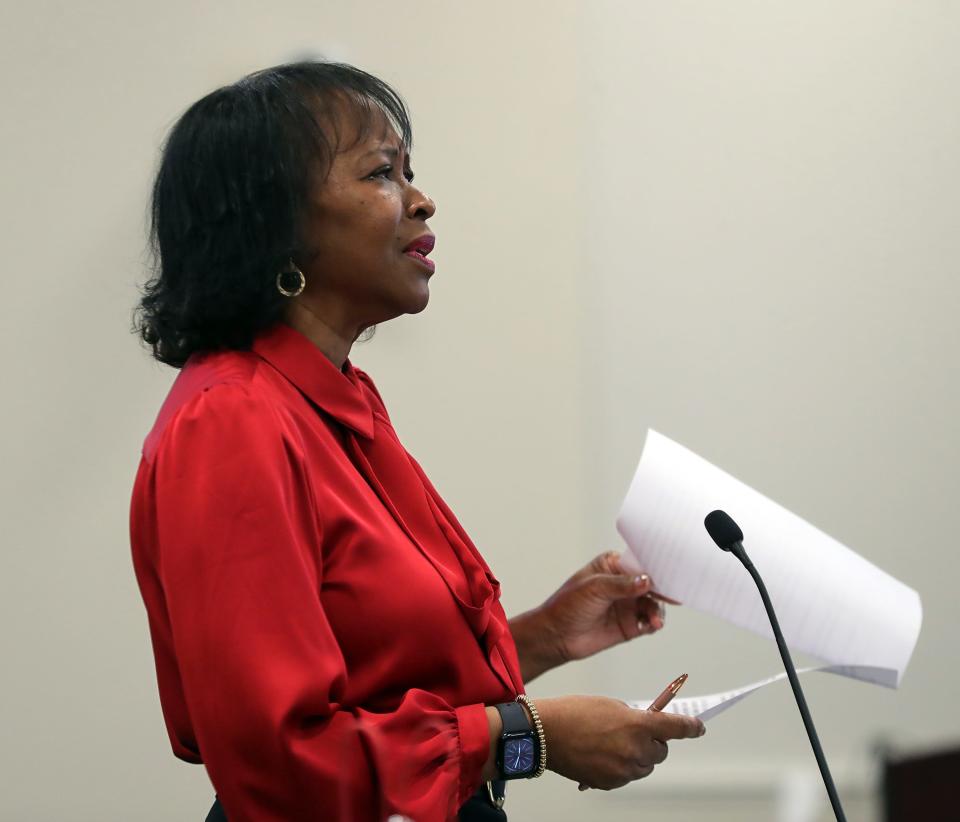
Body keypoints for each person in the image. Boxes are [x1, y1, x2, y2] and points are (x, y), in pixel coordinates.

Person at [129, 60, 705, 822]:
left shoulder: (336, 399)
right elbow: (280, 761)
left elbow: (384, 689)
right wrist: (533, 737)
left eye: (410, 171)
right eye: (381, 173)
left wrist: (544, 637)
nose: (423, 200)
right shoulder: (232, 421)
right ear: (278, 223)